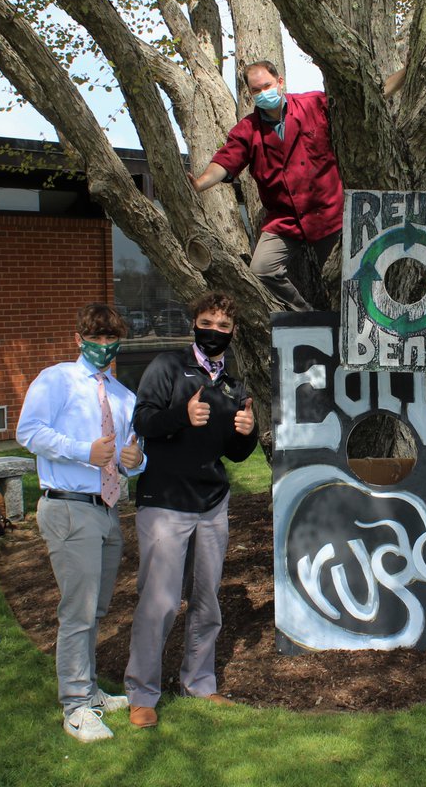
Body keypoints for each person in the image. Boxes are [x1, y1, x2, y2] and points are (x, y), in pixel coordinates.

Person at [124, 292, 258, 729]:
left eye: (223, 326)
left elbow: (234, 455)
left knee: (206, 601)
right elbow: (143, 421)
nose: (214, 331)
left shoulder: (232, 385)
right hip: (165, 502)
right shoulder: (166, 366)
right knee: (160, 602)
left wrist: (246, 433)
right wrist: (181, 415)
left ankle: (199, 683)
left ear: (233, 332)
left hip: (212, 505)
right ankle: (142, 693)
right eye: (207, 322)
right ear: (193, 324)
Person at [16, 303, 146, 742]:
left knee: (98, 607)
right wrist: (83, 451)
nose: (103, 346)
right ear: (79, 338)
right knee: (78, 610)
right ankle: (74, 705)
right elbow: (29, 432)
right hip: (68, 506)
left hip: (107, 509)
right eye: (96, 338)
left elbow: (131, 458)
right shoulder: (56, 380)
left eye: (111, 340)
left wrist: (136, 460)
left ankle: (90, 692)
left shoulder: (123, 396)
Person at [188, 60, 343, 311]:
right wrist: (200, 183)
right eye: (256, 90)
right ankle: (306, 317)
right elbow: (226, 161)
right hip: (285, 220)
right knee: (261, 270)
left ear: (280, 82)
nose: (263, 93)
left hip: (328, 213)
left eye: (267, 86)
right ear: (250, 94)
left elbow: (356, 106)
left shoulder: (313, 104)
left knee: (345, 275)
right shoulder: (247, 130)